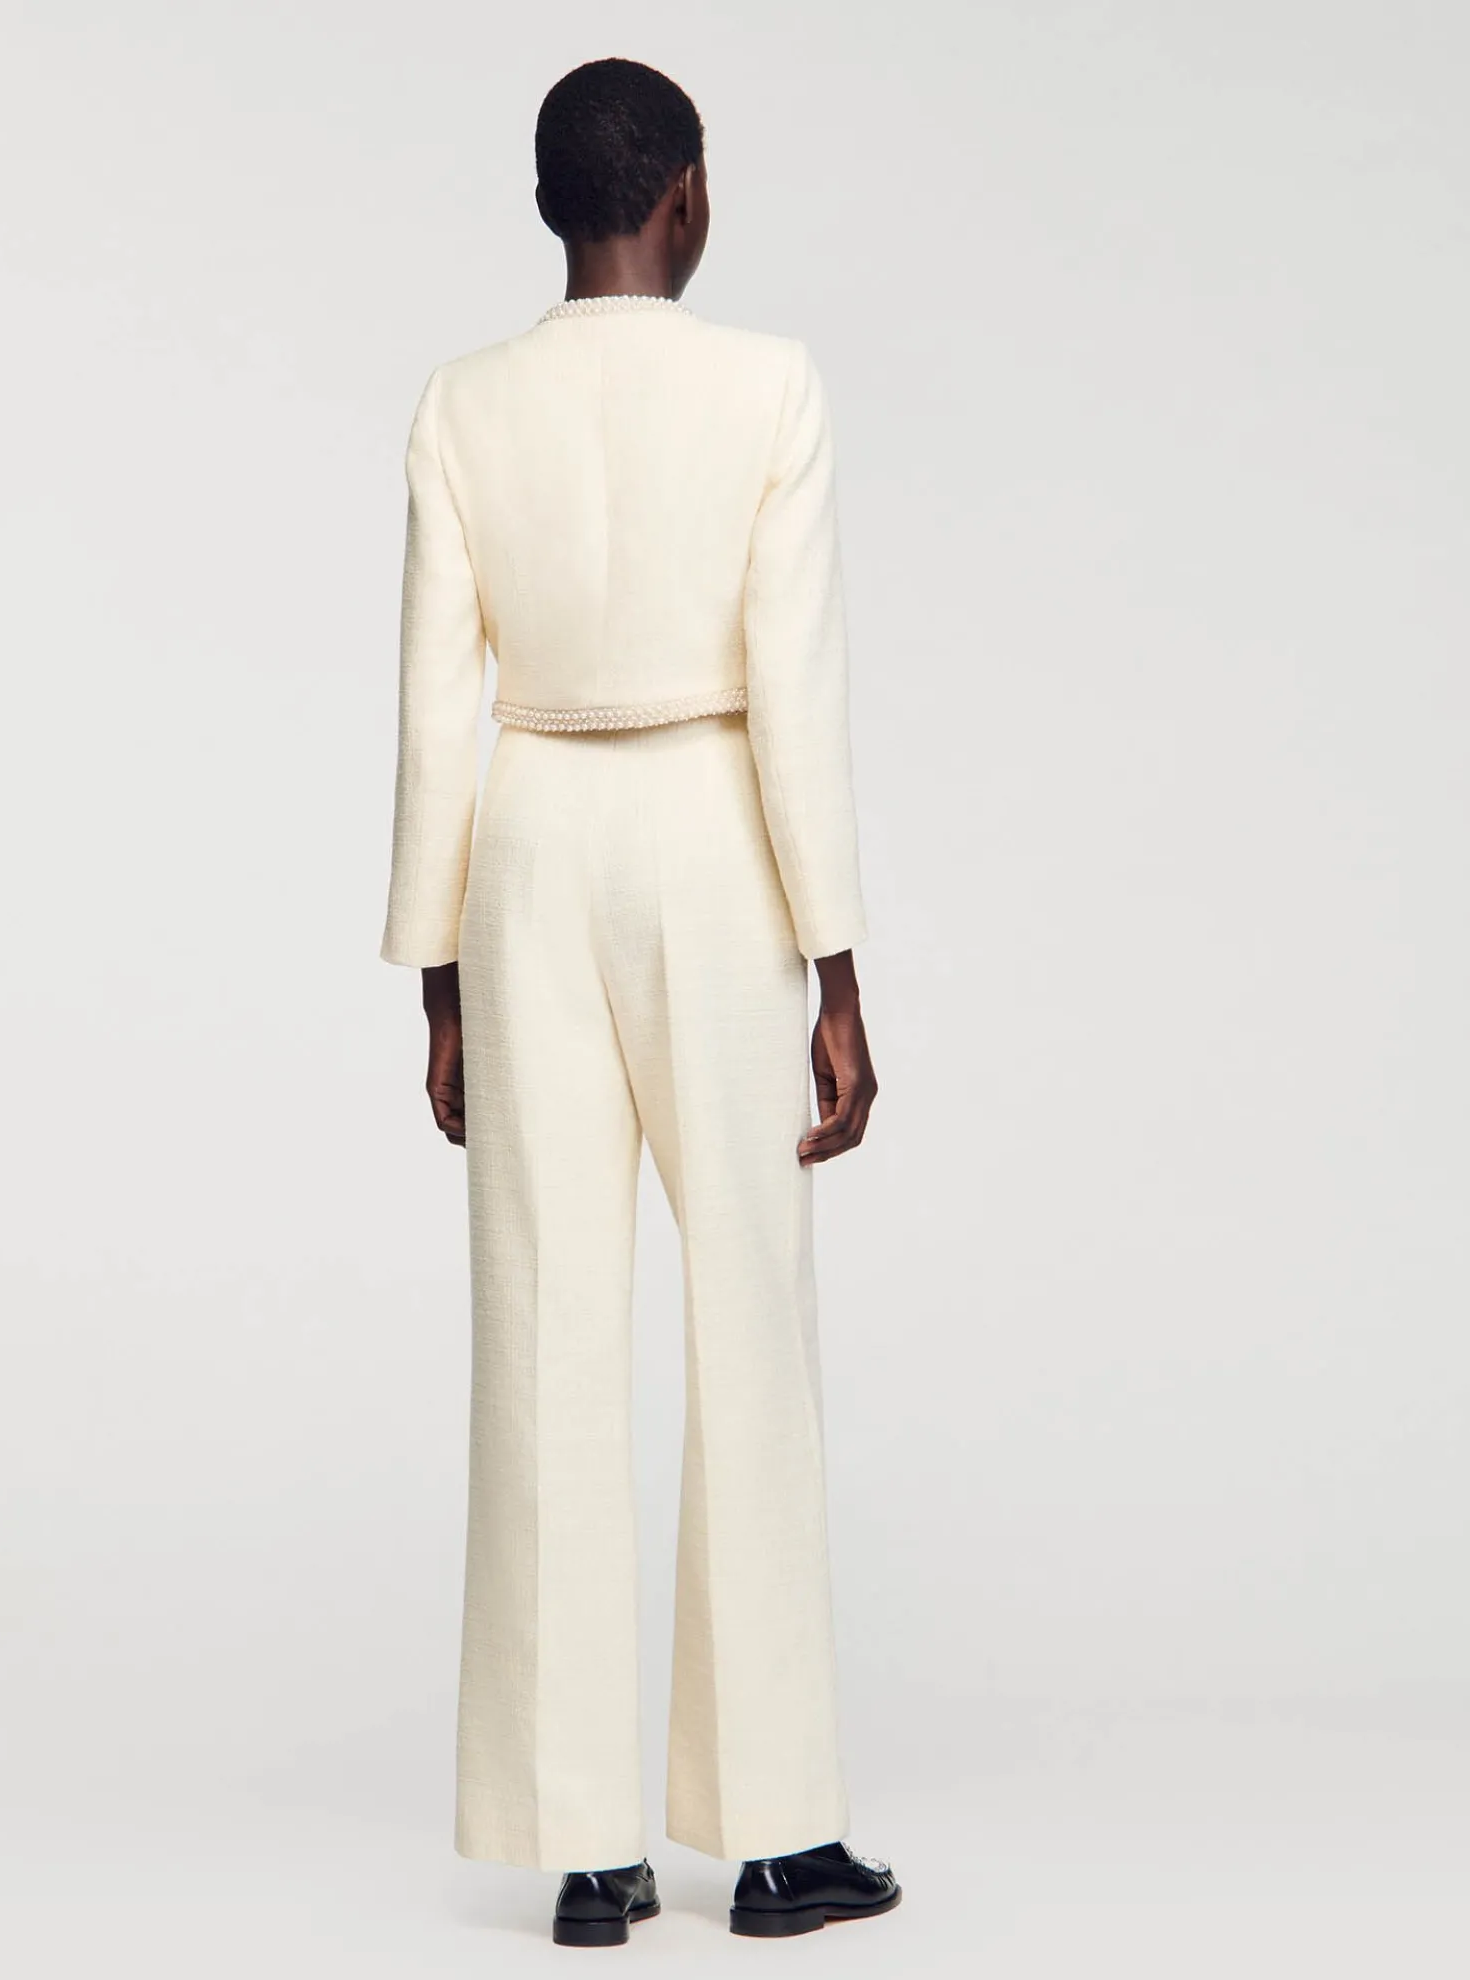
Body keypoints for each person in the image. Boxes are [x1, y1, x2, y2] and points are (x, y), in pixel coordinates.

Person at [380, 56, 901, 1948]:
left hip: (526, 844)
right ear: (686, 195)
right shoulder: (769, 387)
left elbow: (433, 705)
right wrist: (838, 967)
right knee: (747, 1307)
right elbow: (797, 684)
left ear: (553, 207)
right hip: (709, 833)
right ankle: (776, 1839)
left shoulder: (463, 404)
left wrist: (439, 978)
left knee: (542, 1323)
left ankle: (586, 1851)